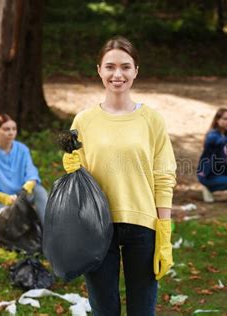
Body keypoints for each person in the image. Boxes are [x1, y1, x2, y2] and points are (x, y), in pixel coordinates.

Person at [62, 36, 177, 315]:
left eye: (125, 67)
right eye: (110, 66)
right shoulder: (83, 121)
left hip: (143, 227)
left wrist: (164, 231)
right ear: (99, 70)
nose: (118, 74)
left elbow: (163, 176)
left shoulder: (152, 120)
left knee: (142, 310)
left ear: (136, 70)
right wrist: (71, 166)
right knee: (105, 310)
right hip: (98, 227)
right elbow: (80, 180)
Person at [0, 114, 47, 226]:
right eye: (6, 129)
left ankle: (48, 228)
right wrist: (2, 197)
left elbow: (31, 171)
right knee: (12, 218)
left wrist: (30, 183)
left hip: (20, 196)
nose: (11, 132)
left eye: (14, 129)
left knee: (40, 191)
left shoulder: (22, 149)